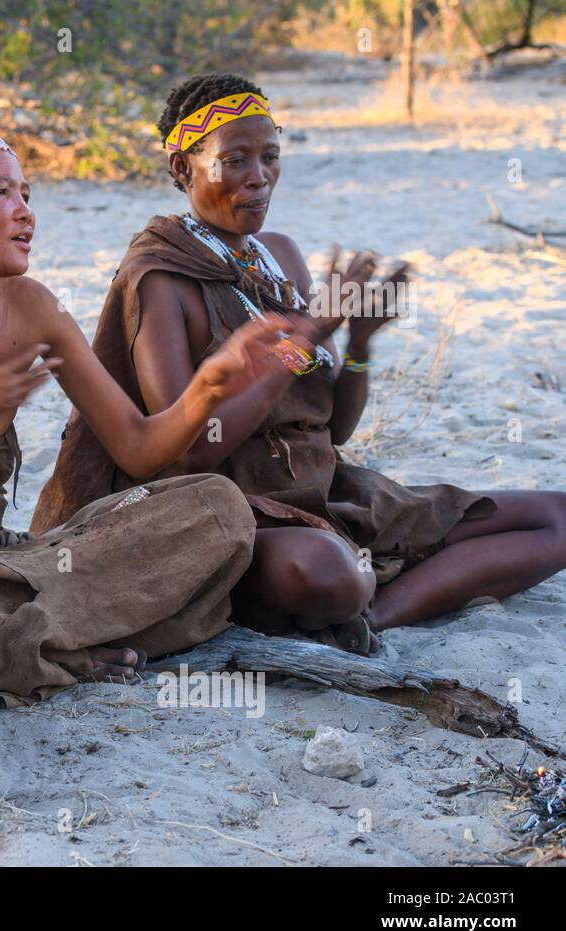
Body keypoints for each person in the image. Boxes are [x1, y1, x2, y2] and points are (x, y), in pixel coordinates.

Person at [33, 74, 566, 652]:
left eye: (269, 157)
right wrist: (305, 337)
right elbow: (192, 448)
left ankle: (376, 615)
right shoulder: (161, 277)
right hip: (223, 511)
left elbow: (334, 429)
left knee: (555, 518)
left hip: (322, 489)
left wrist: (360, 346)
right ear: (183, 168)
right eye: (234, 160)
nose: (259, 177)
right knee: (329, 576)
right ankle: (361, 597)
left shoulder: (279, 255)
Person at [0, 127, 295, 707]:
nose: (26, 214)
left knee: (215, 506)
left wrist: (208, 388)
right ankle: (35, 639)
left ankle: (12, 636)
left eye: (27, 195)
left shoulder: (34, 308)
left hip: (3, 566)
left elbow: (140, 447)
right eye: (1, 194)